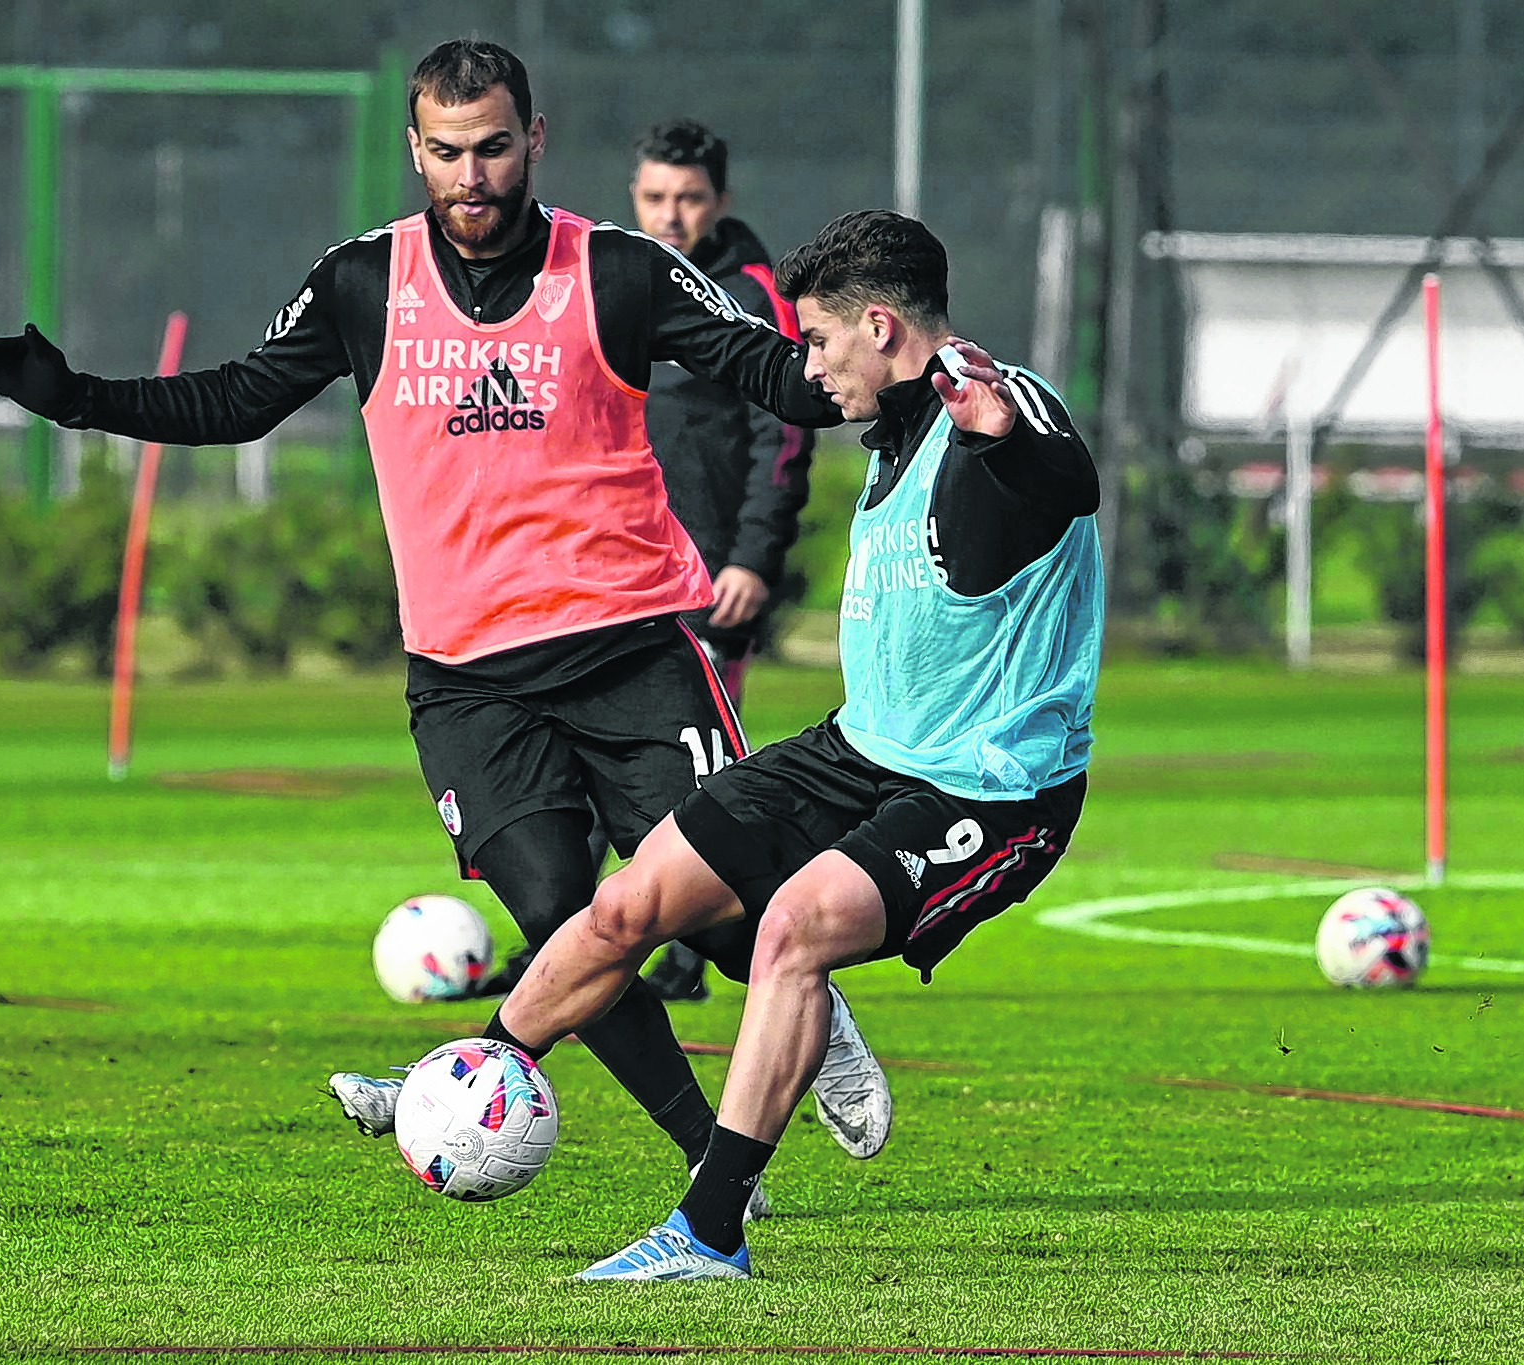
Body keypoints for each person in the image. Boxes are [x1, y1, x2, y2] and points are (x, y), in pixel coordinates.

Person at [0, 41, 893, 1183]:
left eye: (492, 147)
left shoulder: (618, 271)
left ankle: (811, 1008)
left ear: (532, 140)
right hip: (468, 680)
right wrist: (77, 398)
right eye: (445, 152)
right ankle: (709, 1164)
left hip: (630, 650)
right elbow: (242, 399)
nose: (471, 174)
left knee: (715, 913)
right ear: (413, 150)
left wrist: (891, 359)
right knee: (558, 928)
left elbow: (773, 374)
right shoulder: (360, 281)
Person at [463, 210, 1104, 1281]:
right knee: (628, 900)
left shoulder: (999, 404)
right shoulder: (894, 430)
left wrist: (1001, 436)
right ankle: (468, 1073)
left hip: (990, 791)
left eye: (816, 341)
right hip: (860, 750)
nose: (805, 368)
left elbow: (1059, 483)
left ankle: (709, 1232)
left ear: (882, 328)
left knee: (792, 930)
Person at [479, 117, 816, 1007]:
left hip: (706, 576)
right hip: (607, 570)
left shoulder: (751, 289)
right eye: (656, 196)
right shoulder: (611, 279)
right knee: (579, 762)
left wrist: (752, 557)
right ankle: (565, 947)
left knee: (691, 774)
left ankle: (689, 952)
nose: (672, 213)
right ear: (634, 194)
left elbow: (781, 439)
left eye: (690, 198)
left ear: (721, 201)